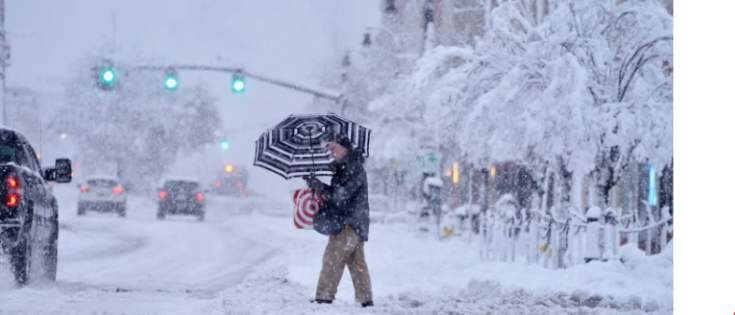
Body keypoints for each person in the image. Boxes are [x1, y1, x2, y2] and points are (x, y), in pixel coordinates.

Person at [304, 133, 373, 308]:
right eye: (330, 149)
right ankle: (366, 300)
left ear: (345, 148)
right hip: (355, 222)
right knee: (357, 263)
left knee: (332, 258)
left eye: (334, 148)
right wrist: (315, 182)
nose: (331, 152)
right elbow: (338, 194)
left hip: (348, 223)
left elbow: (340, 196)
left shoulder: (353, 168)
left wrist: (317, 185)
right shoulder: (346, 168)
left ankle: (323, 298)